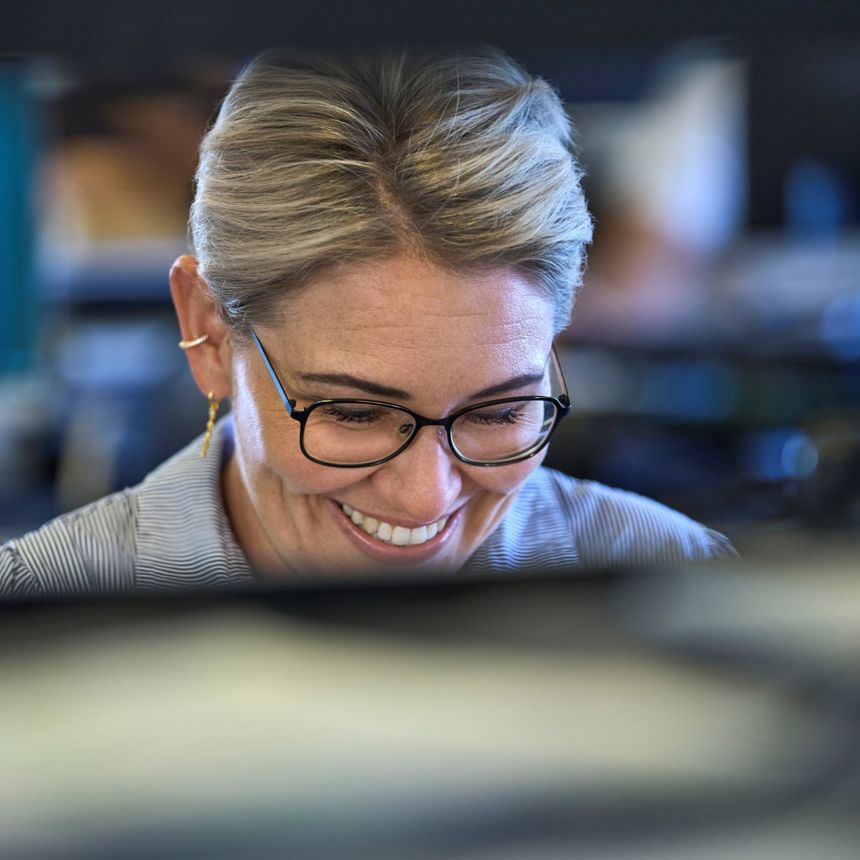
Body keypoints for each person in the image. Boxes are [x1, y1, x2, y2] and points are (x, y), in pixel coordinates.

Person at [0, 48, 735, 595]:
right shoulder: (40, 620)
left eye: (501, 410)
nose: (426, 497)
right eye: (352, 413)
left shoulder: (682, 587)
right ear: (210, 331)